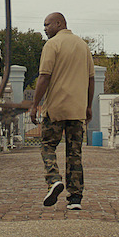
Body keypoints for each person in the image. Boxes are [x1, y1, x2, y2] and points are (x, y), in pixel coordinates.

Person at [29, 12, 94, 210]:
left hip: (56, 108)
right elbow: (92, 79)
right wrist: (88, 105)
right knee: (75, 152)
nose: (45, 29)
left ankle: (53, 179)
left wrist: (35, 104)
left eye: (47, 24)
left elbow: (44, 76)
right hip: (77, 109)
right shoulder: (83, 46)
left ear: (59, 23)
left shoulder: (52, 45)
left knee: (48, 145)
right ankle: (75, 198)